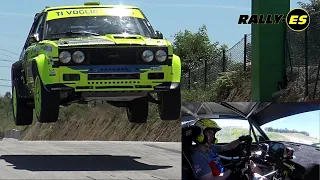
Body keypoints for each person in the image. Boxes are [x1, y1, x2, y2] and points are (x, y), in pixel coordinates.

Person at [190, 119, 267, 180]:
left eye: (213, 133)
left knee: (250, 163)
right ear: (200, 134)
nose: (213, 136)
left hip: (223, 173)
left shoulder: (210, 147)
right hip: (221, 177)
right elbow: (211, 179)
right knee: (258, 177)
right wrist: (231, 170)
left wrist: (240, 140)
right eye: (210, 132)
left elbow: (226, 147)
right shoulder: (198, 156)